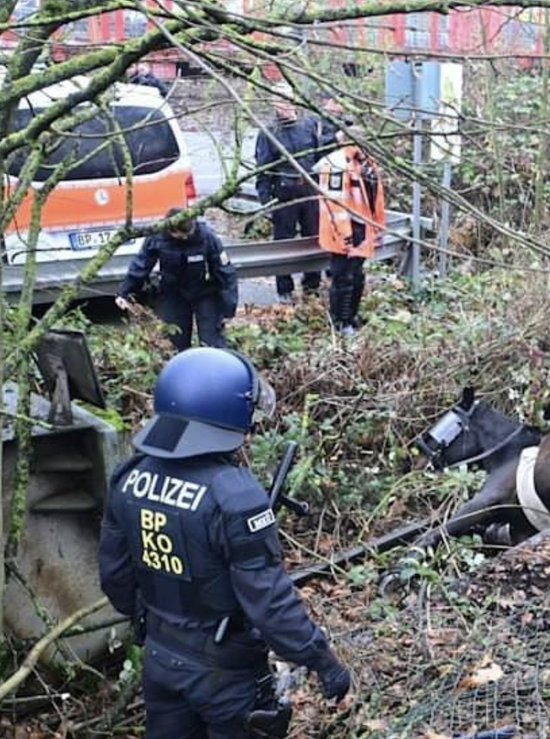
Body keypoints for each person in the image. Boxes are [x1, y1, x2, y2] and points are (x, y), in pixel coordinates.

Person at [98, 347, 352, 737]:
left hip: (161, 658)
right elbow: (269, 602)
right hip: (225, 675)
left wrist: (159, 624)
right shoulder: (234, 495)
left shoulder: (129, 476)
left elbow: (115, 577)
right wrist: (322, 660)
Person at [116, 208, 238, 352]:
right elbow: (141, 265)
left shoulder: (207, 237)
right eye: (181, 236)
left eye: (188, 235)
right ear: (170, 230)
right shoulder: (158, 236)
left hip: (205, 291)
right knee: (177, 342)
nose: (185, 238)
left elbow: (225, 272)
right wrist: (124, 292)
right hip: (174, 293)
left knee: (211, 342)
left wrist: (229, 307)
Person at [255, 86, 323, 303]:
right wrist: (266, 201)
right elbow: (263, 169)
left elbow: (319, 157)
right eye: (278, 101)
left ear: (293, 101)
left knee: (313, 237)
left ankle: (312, 284)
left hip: (309, 190)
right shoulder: (269, 132)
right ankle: (284, 289)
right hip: (283, 192)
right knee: (283, 241)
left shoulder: (308, 126)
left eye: (285, 100)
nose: (282, 105)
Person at [315, 127, 385, 336]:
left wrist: (377, 228)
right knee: (343, 278)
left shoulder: (365, 162)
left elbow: (374, 199)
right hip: (344, 229)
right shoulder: (336, 164)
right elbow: (334, 205)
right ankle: (340, 321)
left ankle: (351, 316)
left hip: (361, 227)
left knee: (356, 276)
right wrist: (345, 235)